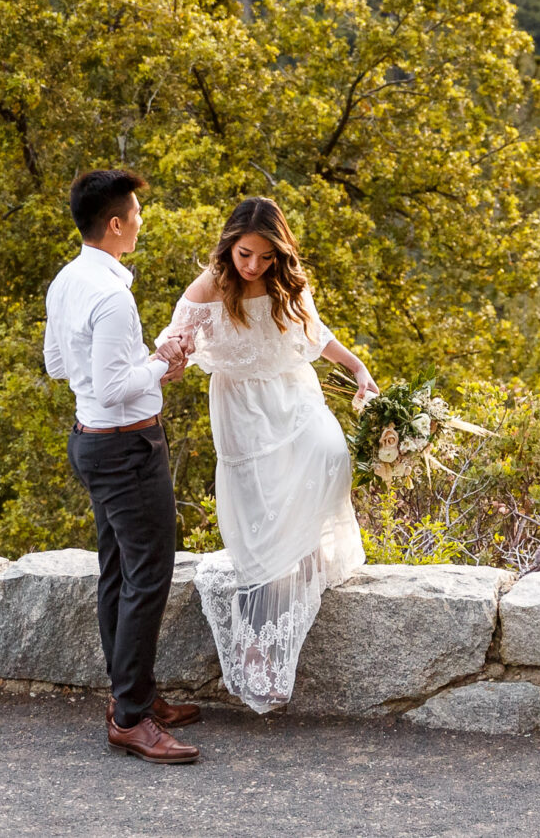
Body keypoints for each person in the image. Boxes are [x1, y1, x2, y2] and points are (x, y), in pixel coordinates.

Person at [154, 195, 378, 712]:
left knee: (331, 454)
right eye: (245, 255)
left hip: (294, 397)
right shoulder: (210, 286)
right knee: (261, 524)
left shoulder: (286, 285)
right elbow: (175, 340)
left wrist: (359, 368)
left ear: (279, 255)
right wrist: (174, 358)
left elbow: (317, 337)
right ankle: (259, 652)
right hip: (242, 411)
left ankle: (303, 556)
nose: (253, 265)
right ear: (229, 246)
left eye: (264, 257)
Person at [43, 168, 202, 765]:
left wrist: (141, 361)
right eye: (136, 213)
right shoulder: (111, 295)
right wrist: (162, 364)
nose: (141, 220)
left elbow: (60, 364)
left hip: (93, 442)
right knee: (148, 575)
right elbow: (113, 389)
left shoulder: (66, 282)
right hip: (126, 448)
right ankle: (130, 718)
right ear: (115, 225)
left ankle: (132, 694)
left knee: (119, 569)